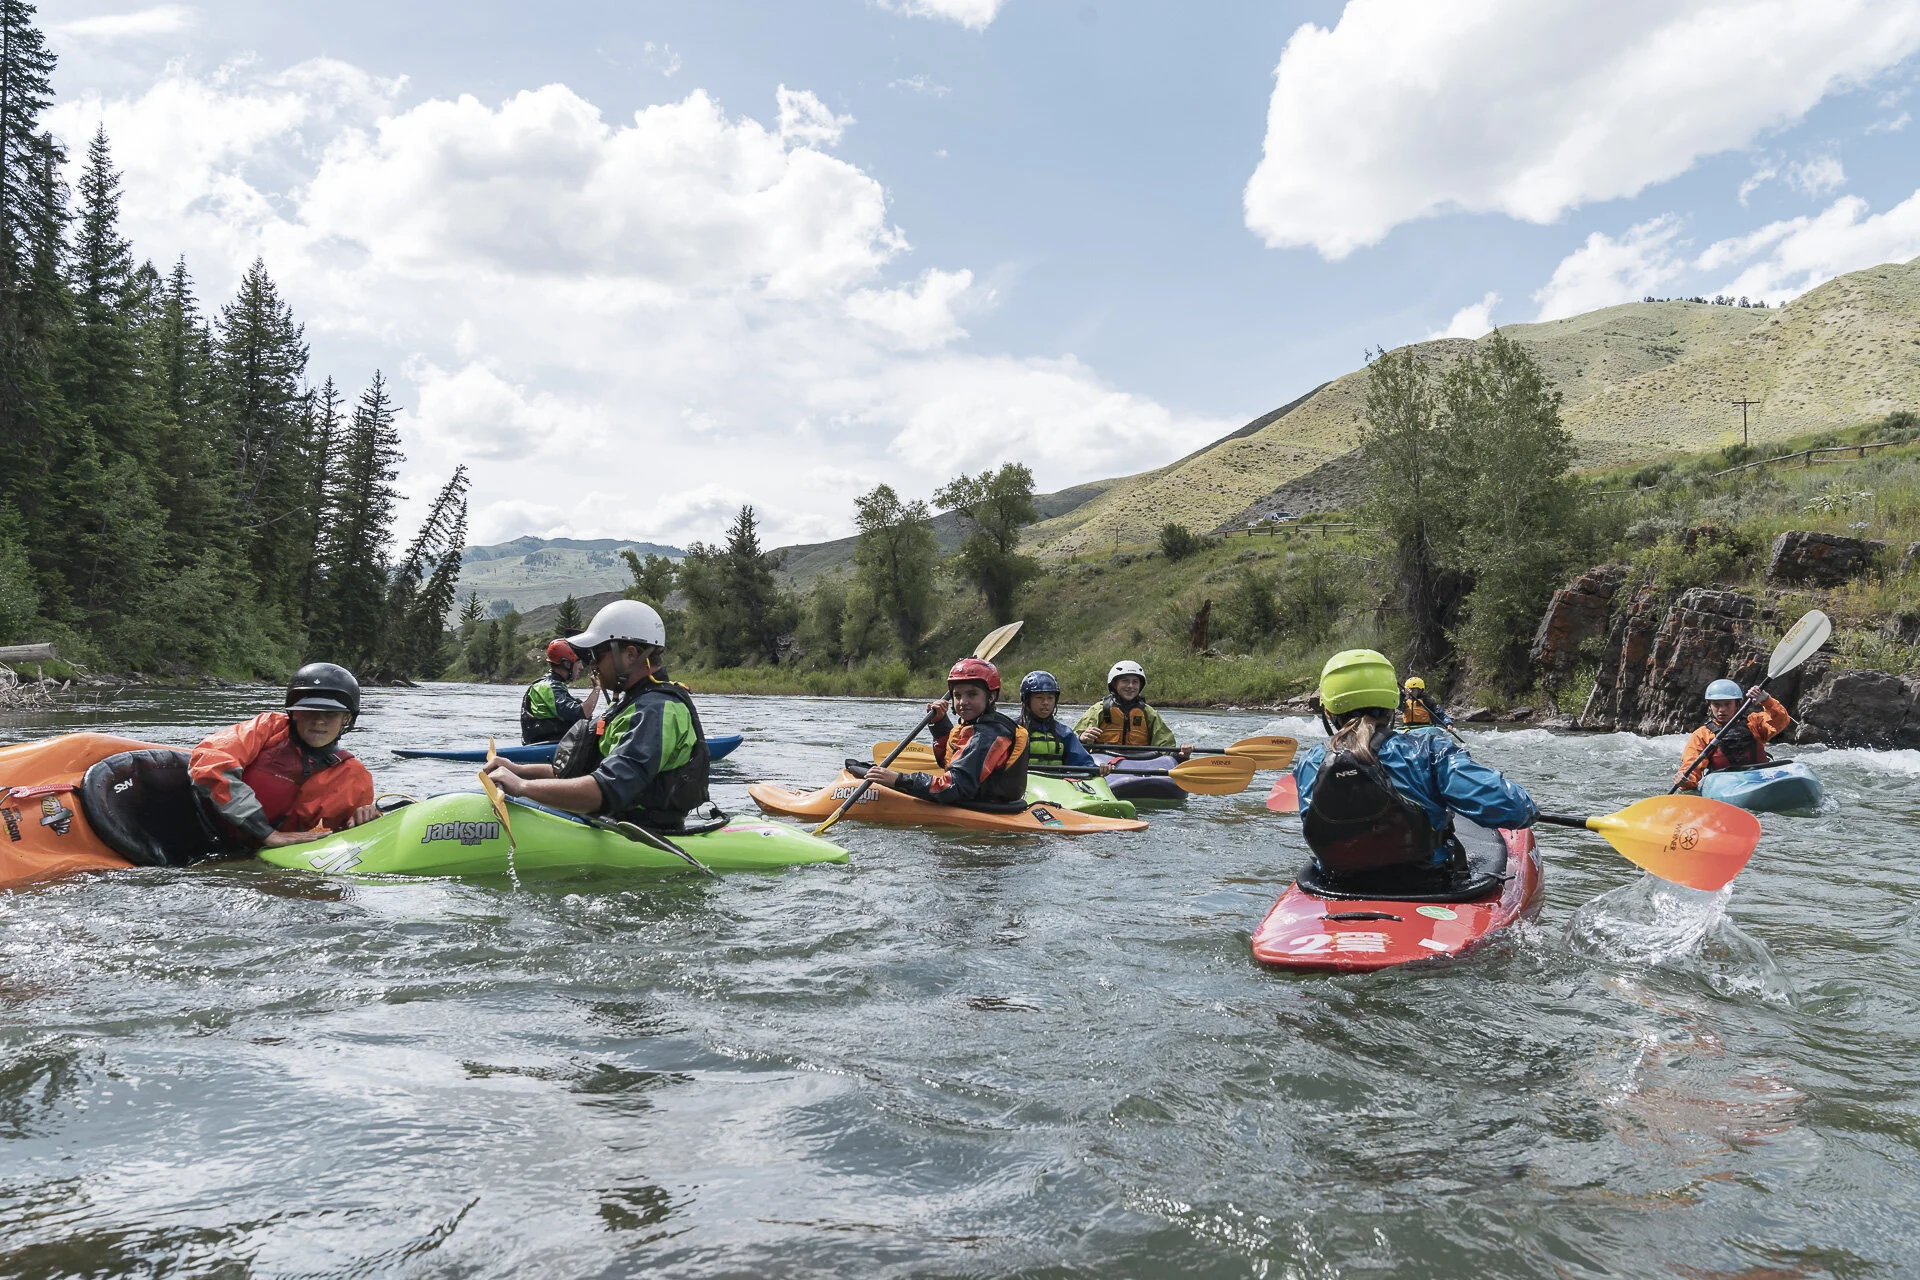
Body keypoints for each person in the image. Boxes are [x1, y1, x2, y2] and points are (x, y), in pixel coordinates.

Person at [1293, 649, 1537, 893]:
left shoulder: (1310, 763)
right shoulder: (1430, 751)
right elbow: (1515, 809)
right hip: (1425, 886)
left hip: (1339, 887)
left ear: (1327, 712)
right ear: (1394, 705)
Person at [483, 599, 712, 831]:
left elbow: (606, 790)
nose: (592, 665)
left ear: (630, 654)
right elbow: (581, 773)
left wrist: (522, 787)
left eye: (597, 655)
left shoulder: (657, 711)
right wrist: (517, 770)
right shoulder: (633, 704)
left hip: (646, 832)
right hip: (616, 824)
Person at [191, 662, 379, 849]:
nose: (319, 721)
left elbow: (348, 838)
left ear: (346, 719)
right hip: (206, 834)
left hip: (265, 856)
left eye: (330, 713)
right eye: (309, 711)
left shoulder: (355, 777)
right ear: (294, 713)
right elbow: (209, 763)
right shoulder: (265, 729)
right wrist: (267, 833)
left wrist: (365, 819)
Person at [866, 658, 1030, 805]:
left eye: (972, 694)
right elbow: (950, 762)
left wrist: (900, 780)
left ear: (991, 696)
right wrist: (939, 723)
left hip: (982, 809)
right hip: (979, 799)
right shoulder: (980, 726)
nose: (963, 702)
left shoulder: (987, 736)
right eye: (957, 695)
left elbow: (953, 788)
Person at [1674, 678, 1791, 791]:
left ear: (1737, 704)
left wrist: (1766, 700)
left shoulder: (1754, 723)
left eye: (1727, 704)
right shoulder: (1702, 735)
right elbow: (1691, 767)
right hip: (1726, 786)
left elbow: (1781, 720)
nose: (1722, 710)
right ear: (1709, 706)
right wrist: (1685, 779)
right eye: (1716, 705)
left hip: (1760, 777)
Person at [1074, 660, 1192, 760]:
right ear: (1115, 684)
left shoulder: (1148, 713)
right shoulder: (1099, 709)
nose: (1130, 686)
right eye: (1125, 681)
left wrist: (1181, 754)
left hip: (1141, 764)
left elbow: (1166, 748)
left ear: (1140, 686)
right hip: (1105, 764)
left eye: (1135, 682)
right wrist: (1082, 738)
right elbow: (1073, 740)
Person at [1014, 670, 1114, 775]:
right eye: (1039, 698)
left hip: (1057, 784)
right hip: (1023, 785)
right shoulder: (1011, 729)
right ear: (1027, 699)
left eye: (1050, 698)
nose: (1046, 703)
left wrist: (1098, 769)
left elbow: (1082, 762)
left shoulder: (1064, 732)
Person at [520, 638, 601, 744]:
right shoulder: (547, 686)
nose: (581, 667)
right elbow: (580, 714)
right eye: (578, 662)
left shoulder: (552, 686)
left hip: (552, 743)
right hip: (544, 746)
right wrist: (596, 689)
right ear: (567, 664)